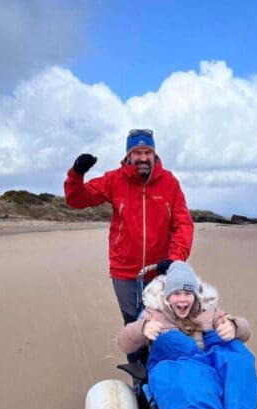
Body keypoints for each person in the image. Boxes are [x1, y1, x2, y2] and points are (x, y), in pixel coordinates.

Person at [117, 261, 257, 409]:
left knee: (238, 359)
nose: (182, 300)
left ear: (195, 294)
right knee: (185, 381)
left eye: (187, 293)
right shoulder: (153, 315)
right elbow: (124, 341)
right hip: (174, 369)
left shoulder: (211, 313)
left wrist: (233, 327)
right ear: (166, 296)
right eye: (176, 294)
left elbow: (244, 331)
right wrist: (142, 330)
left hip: (207, 373)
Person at [64, 129, 194, 348]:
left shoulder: (169, 182)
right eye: (137, 153)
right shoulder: (114, 180)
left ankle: (161, 373)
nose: (143, 158)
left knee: (162, 325)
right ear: (128, 156)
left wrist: (174, 259)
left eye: (147, 152)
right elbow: (77, 200)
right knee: (133, 325)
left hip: (160, 271)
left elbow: (183, 223)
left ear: (154, 155)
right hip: (124, 272)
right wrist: (76, 175)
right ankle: (138, 377)